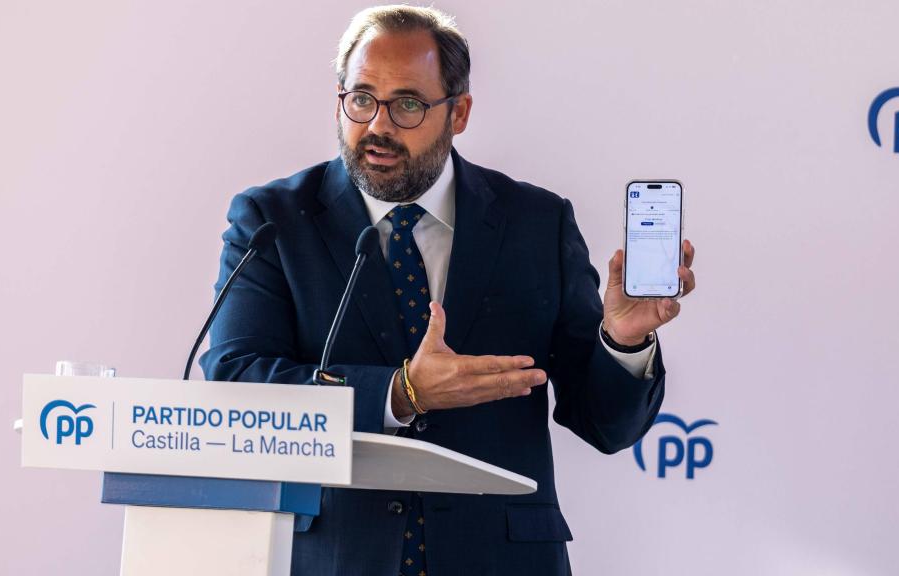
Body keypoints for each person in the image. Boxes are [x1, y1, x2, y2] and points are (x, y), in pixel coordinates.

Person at [201, 5, 696, 575]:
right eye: (361, 99)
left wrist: (623, 342)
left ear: (458, 112)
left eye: (408, 104)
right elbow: (238, 382)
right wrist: (399, 392)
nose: (378, 126)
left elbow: (606, 425)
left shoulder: (536, 223)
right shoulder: (274, 220)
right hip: (336, 558)